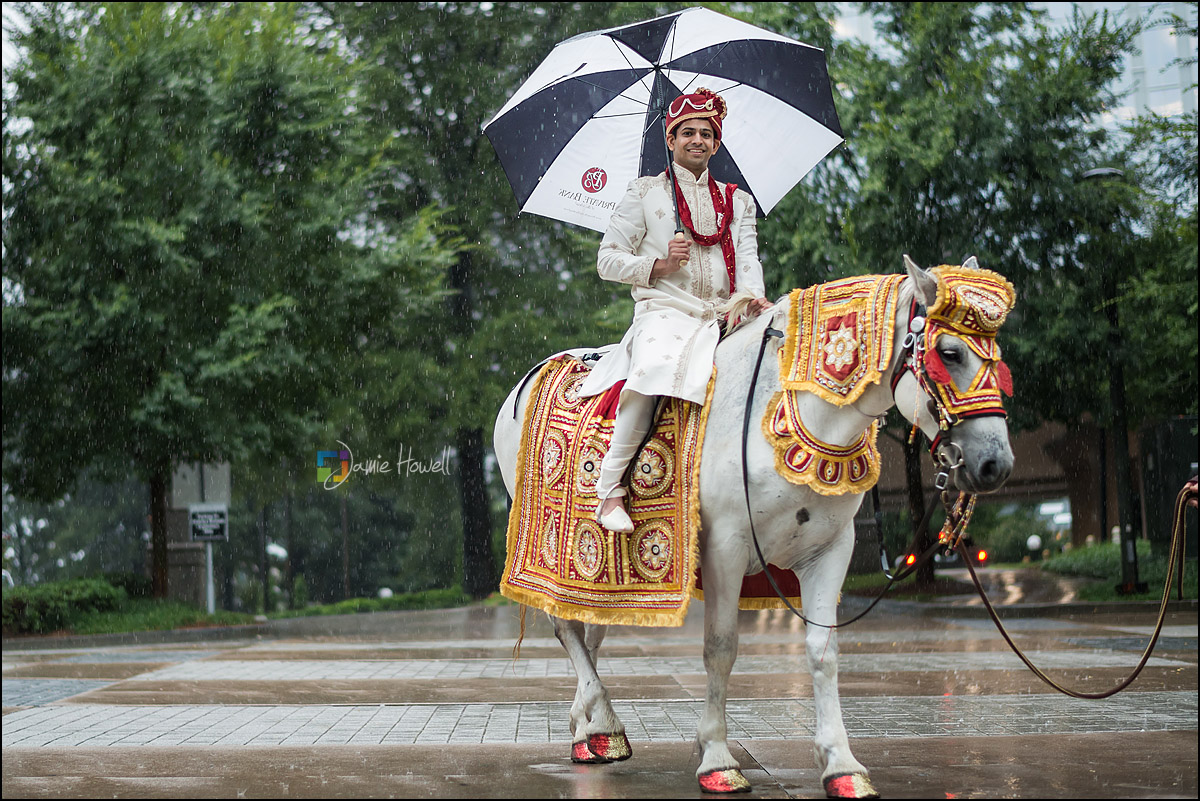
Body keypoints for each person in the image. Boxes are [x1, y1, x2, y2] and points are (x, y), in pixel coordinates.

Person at [578, 87, 773, 533]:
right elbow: (606, 260)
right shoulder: (646, 193)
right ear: (671, 139)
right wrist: (660, 265)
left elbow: (748, 260)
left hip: (725, 314)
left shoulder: (738, 201)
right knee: (654, 368)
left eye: (706, 134)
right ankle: (609, 489)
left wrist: (753, 298)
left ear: (716, 144)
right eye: (688, 133)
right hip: (664, 310)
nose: (697, 140)